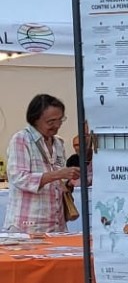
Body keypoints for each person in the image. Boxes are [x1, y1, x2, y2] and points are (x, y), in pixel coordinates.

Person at [4, 94, 76, 234]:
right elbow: (19, 178)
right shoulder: (21, 139)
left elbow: (58, 179)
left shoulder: (58, 143)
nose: (56, 125)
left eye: (60, 120)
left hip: (56, 224)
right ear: (35, 120)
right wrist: (58, 174)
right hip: (27, 225)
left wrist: (66, 183)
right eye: (51, 122)